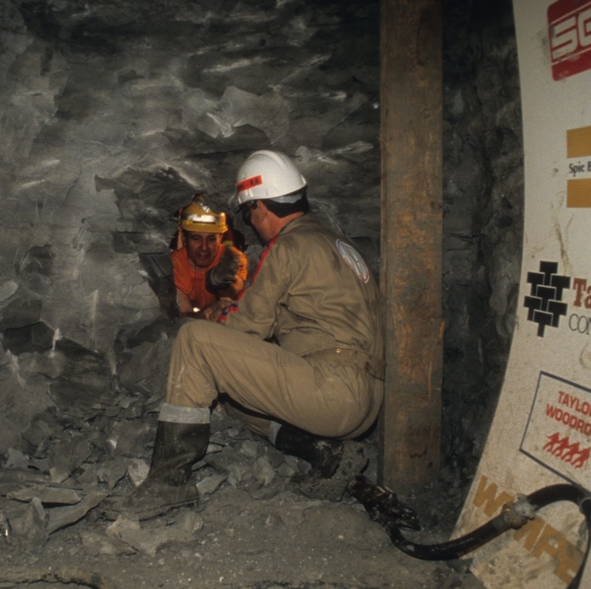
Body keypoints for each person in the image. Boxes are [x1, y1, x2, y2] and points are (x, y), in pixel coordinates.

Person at [108, 150, 385, 520]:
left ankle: (168, 482)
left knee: (195, 339)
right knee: (233, 399)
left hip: (332, 391)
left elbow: (248, 326)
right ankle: (323, 451)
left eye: (249, 213)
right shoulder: (339, 245)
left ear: (260, 207)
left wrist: (217, 320)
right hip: (368, 400)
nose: (252, 224)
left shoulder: (287, 245)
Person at [170, 194, 248, 318]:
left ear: (221, 238)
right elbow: (184, 316)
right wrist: (207, 313)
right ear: (184, 239)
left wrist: (224, 282)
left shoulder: (233, 257)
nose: (204, 247)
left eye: (211, 239)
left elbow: (236, 297)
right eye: (196, 238)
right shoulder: (174, 265)